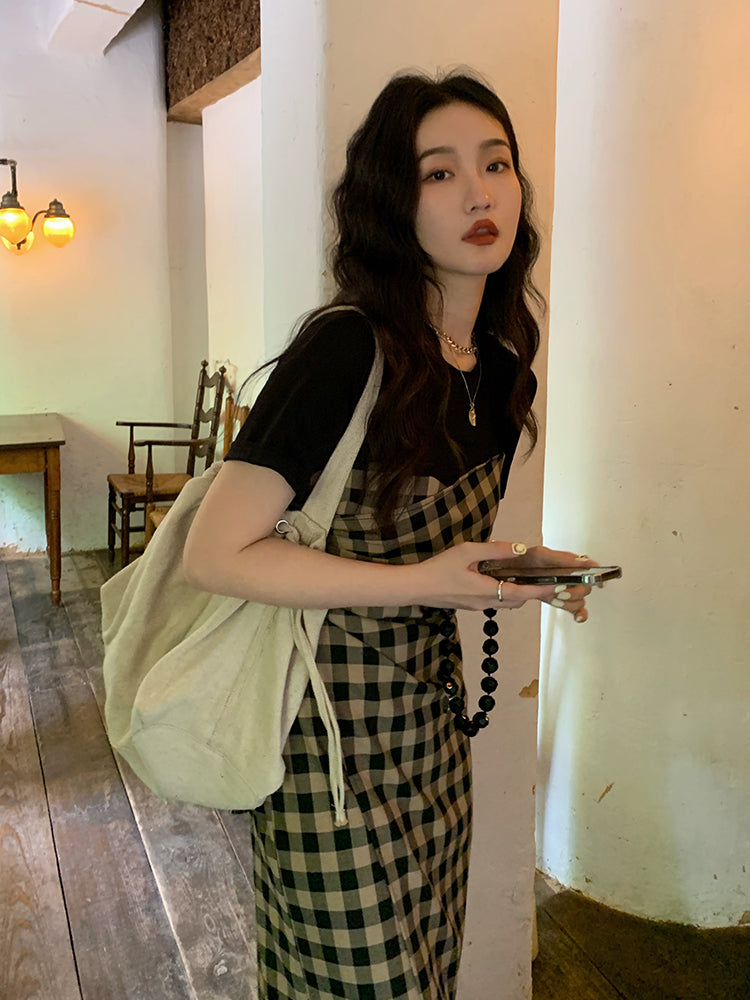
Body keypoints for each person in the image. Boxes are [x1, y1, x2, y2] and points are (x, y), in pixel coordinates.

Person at [183, 70, 596, 1000]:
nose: (480, 194)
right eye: (439, 173)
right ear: (391, 204)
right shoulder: (345, 349)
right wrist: (426, 583)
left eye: (496, 164)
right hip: (324, 742)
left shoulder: (501, 370)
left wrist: (521, 571)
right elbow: (217, 554)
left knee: (427, 969)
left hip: (431, 736)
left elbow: (443, 558)